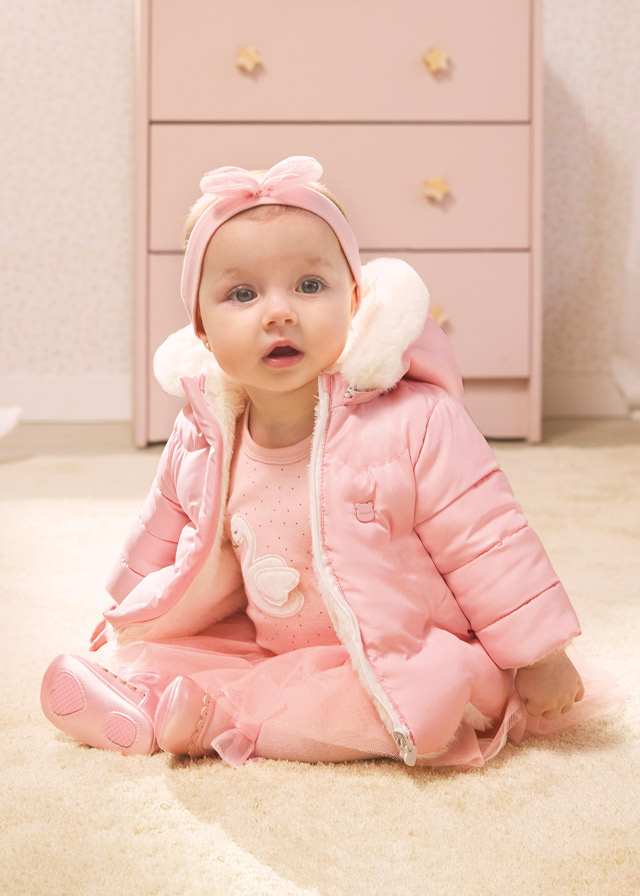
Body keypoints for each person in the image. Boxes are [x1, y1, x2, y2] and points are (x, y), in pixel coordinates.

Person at [41, 156, 611, 768]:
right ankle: (148, 701)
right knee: (199, 655)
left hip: (400, 649)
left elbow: (487, 540)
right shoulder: (206, 431)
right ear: (202, 330)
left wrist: (540, 653)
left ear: (354, 301)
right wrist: (128, 608)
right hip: (272, 645)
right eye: (243, 294)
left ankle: (218, 725)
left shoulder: (414, 422)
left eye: (310, 286)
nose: (279, 312)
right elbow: (164, 528)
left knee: (391, 702)